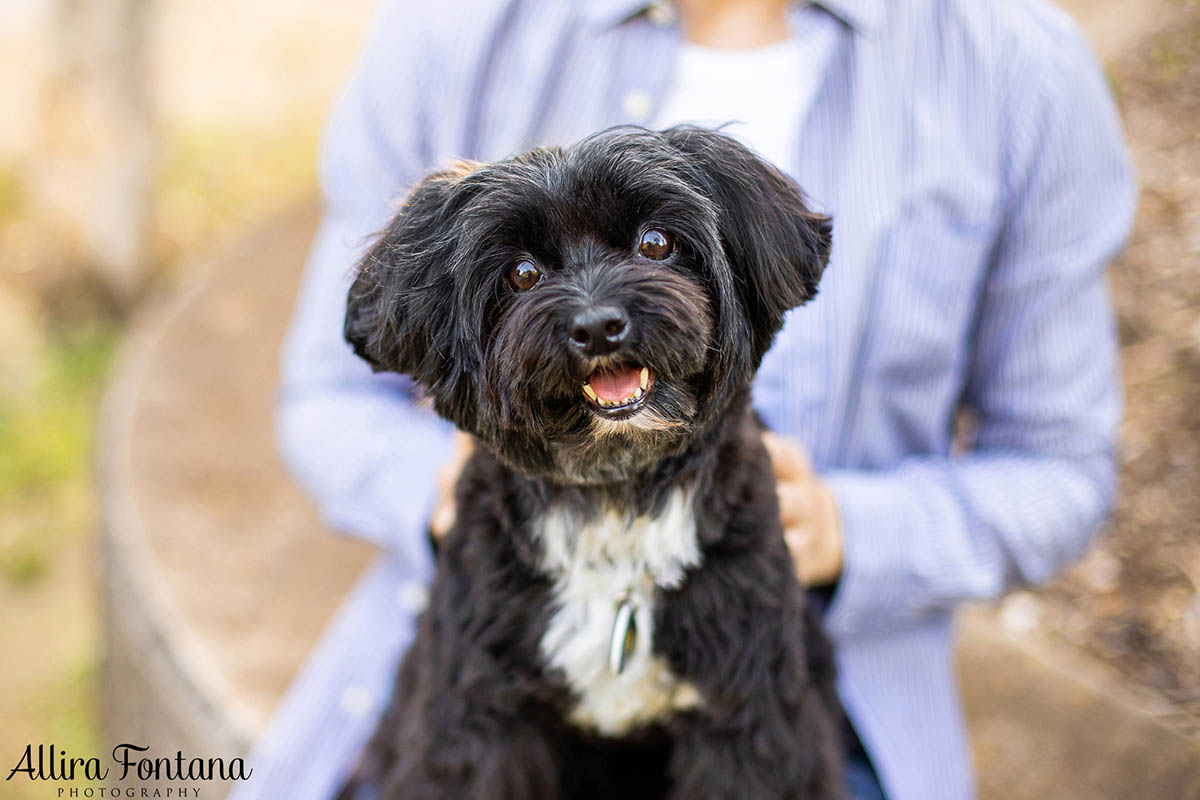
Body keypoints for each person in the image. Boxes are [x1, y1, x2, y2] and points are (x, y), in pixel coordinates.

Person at [234, 1, 1135, 798]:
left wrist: (851, 533)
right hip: (481, 685)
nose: (595, 317)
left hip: (802, 694)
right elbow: (328, 397)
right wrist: (439, 491)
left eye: (659, 248)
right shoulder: (454, 24)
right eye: (521, 272)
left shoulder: (1019, 66)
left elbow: (1061, 471)